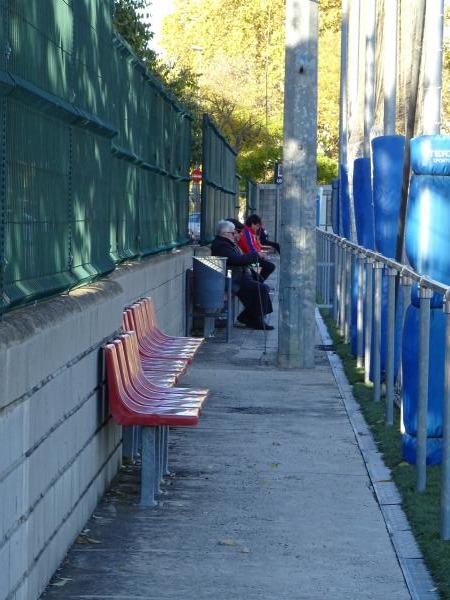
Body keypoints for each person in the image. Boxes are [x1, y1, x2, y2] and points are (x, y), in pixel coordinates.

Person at [211, 220, 274, 331]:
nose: (234, 234)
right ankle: (256, 320)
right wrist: (255, 255)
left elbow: (238, 259)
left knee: (262, 285)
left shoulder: (226, 243)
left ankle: (247, 317)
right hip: (233, 279)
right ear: (224, 234)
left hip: (237, 275)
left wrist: (249, 266)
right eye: (232, 233)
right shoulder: (222, 245)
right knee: (261, 288)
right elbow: (236, 260)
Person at [238, 214, 275, 281]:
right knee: (270, 266)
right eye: (257, 226)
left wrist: (262, 253)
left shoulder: (250, 233)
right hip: (249, 262)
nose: (258, 228)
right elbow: (251, 249)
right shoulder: (247, 233)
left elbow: (256, 247)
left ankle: (259, 282)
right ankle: (258, 282)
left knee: (268, 264)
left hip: (251, 259)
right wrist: (261, 255)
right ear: (252, 224)